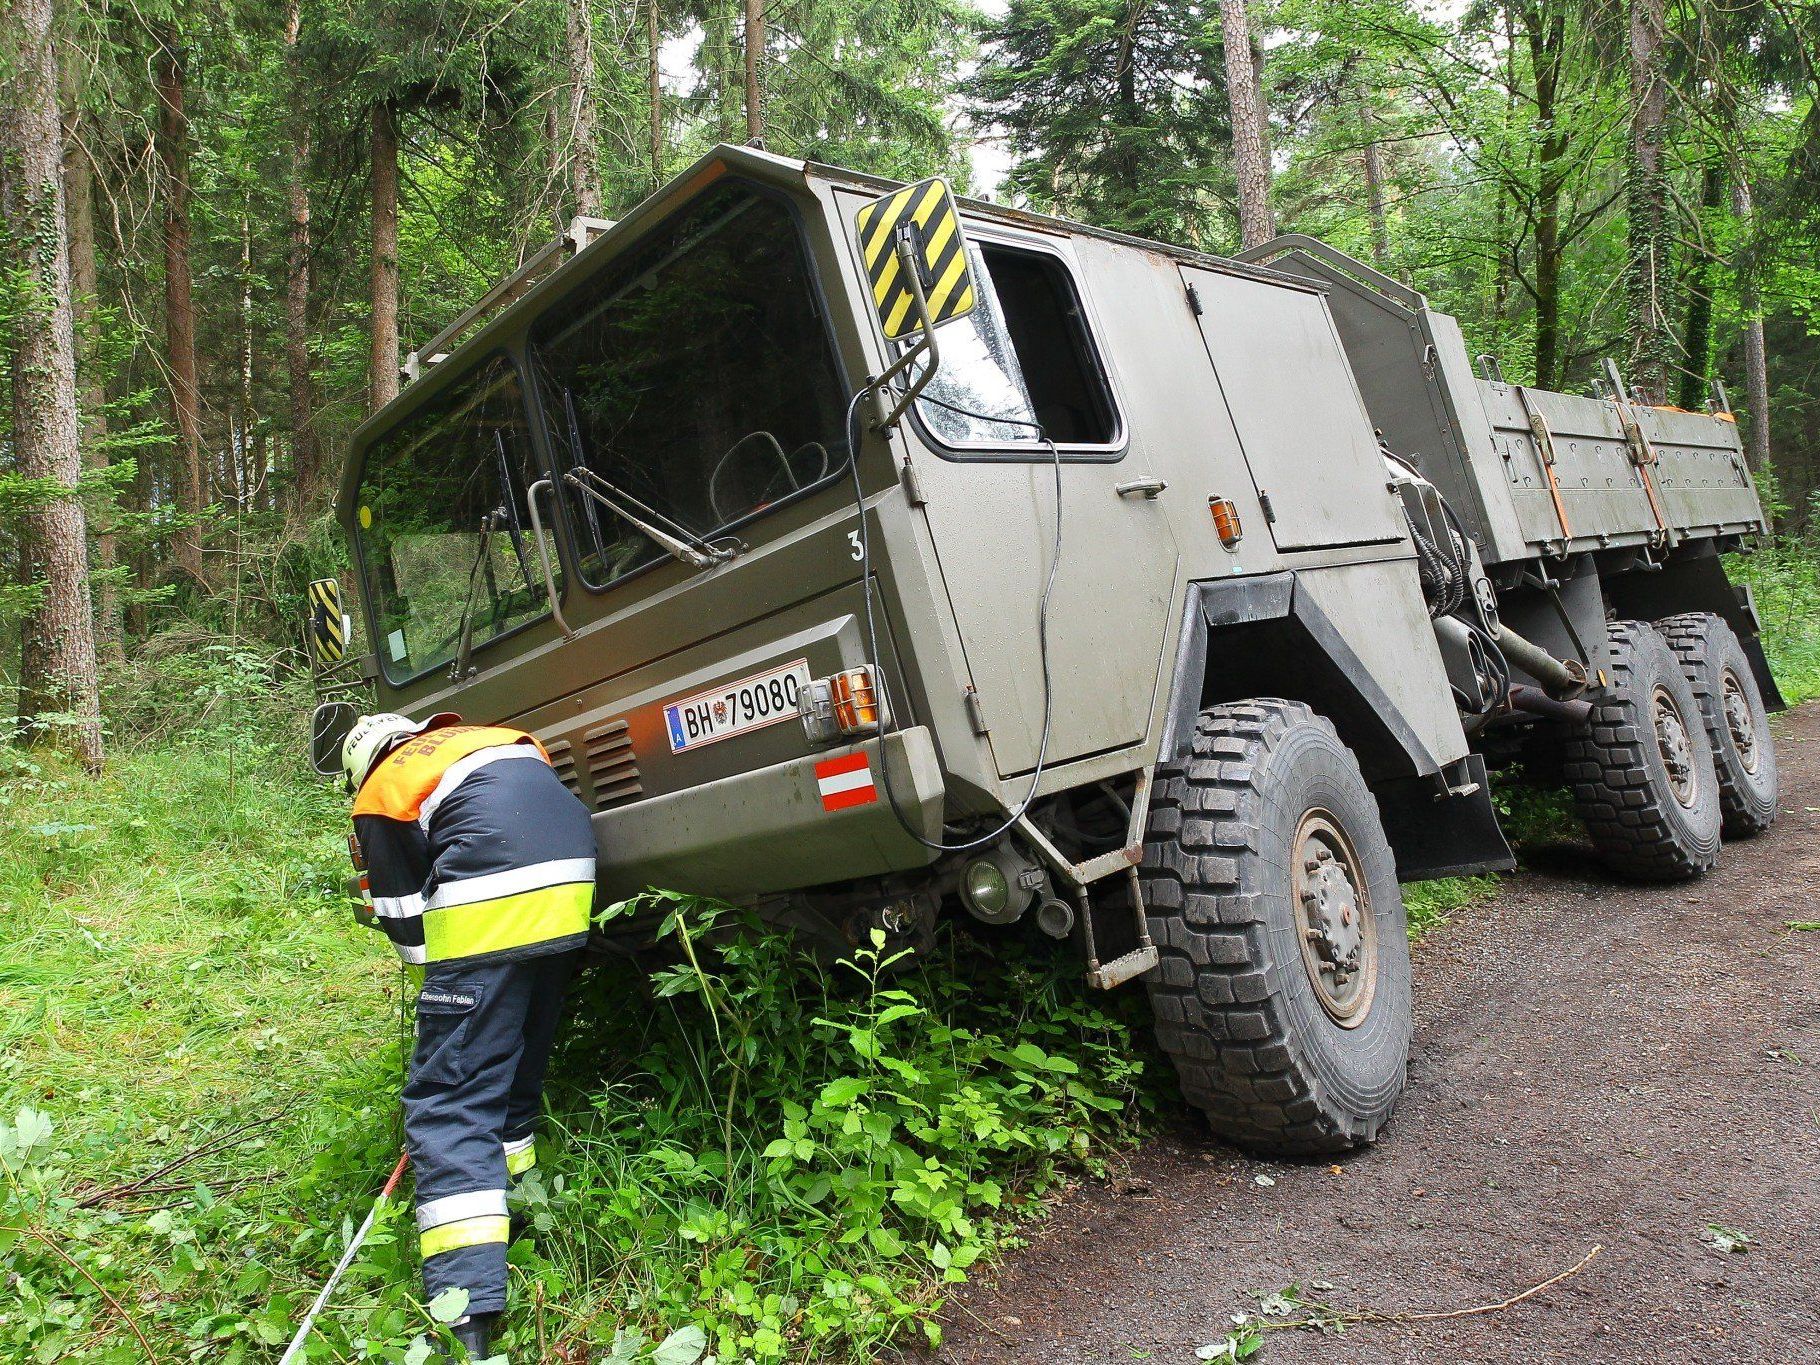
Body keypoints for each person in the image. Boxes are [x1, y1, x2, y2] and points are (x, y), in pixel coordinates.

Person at [341, 712, 596, 1361]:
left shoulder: (381, 789)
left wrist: (446, 1010)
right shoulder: (489, 738)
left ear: (359, 767)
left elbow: (407, 926)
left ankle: (467, 1309)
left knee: (450, 1102)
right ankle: (520, 1207)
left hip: (491, 907)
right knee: (512, 1071)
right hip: (571, 894)